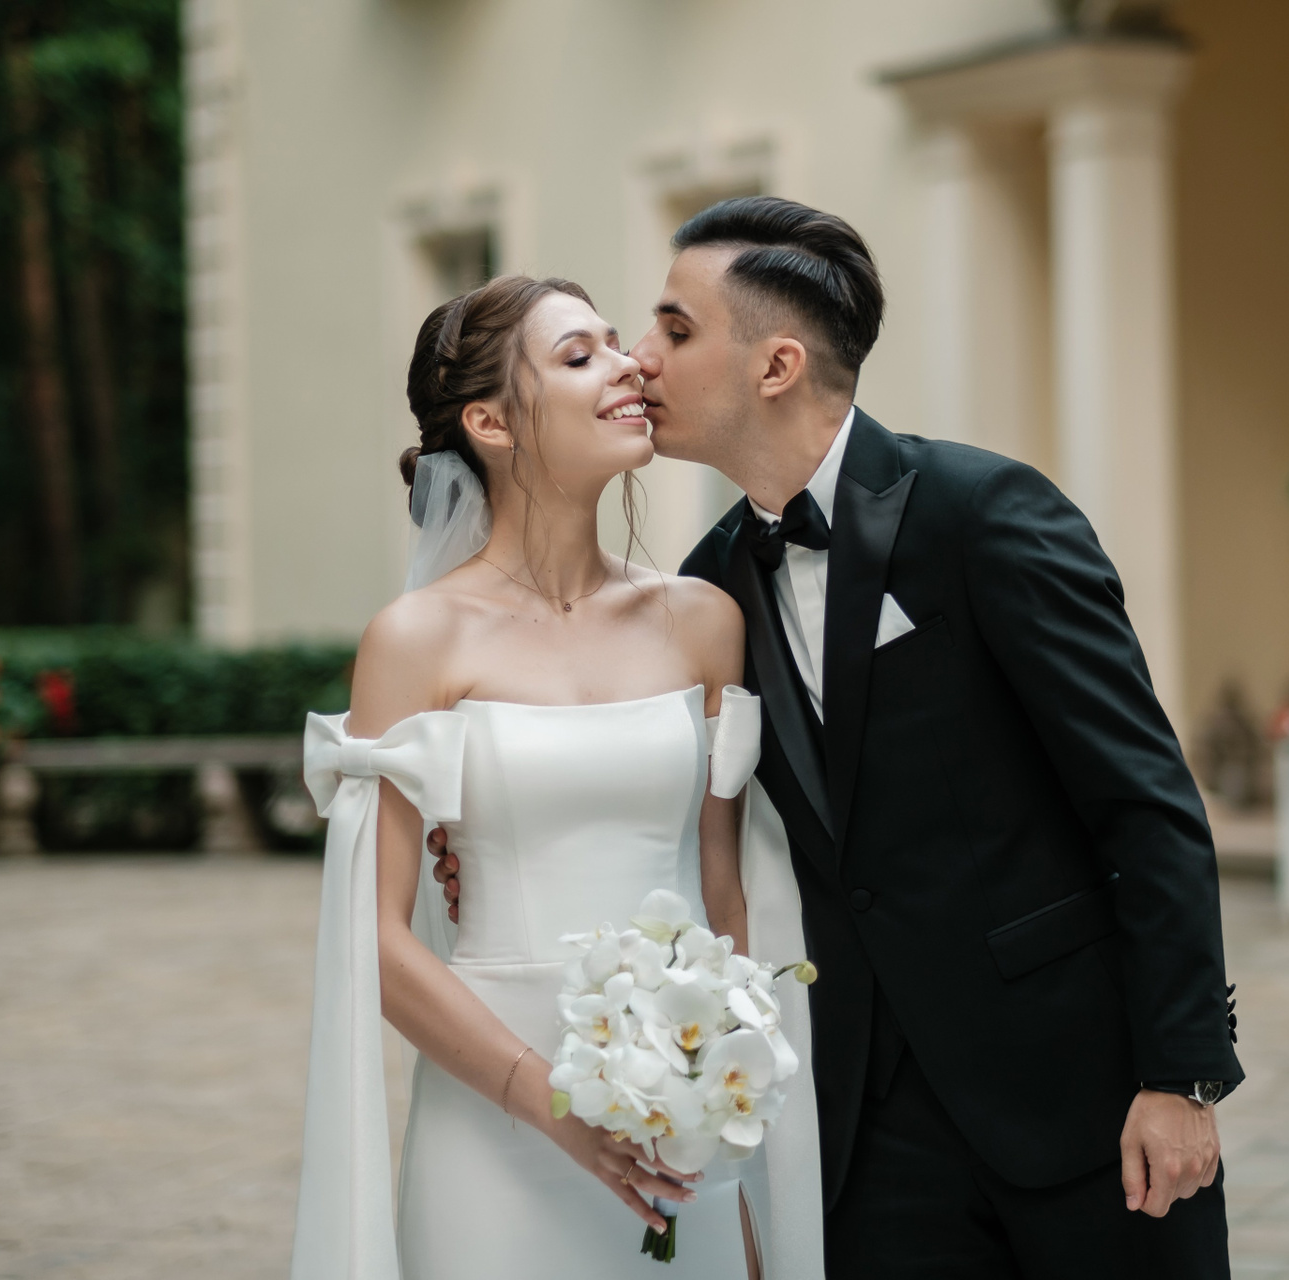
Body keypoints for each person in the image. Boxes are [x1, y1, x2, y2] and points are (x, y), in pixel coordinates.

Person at [436, 197, 1244, 1278]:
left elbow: (1144, 801)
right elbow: (661, 797)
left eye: (675, 328)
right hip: (867, 1131)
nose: (640, 358)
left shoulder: (985, 512)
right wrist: (471, 833)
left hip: (1081, 1096)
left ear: (776, 365)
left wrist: (1181, 1074)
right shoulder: (713, 587)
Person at [289, 273, 824, 1280]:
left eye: (619, 345)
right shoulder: (416, 640)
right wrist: (553, 1104)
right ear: (491, 422)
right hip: (492, 1128)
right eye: (580, 356)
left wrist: (738, 1168)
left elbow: (726, 902)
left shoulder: (703, 621)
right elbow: (376, 938)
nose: (628, 367)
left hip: (677, 1136)